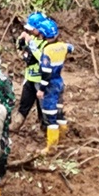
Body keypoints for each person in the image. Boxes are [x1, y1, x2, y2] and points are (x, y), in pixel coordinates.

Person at [28, 12, 71, 154]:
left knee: (50, 115)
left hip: (50, 84)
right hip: (59, 81)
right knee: (59, 112)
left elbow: (46, 72)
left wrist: (41, 89)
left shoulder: (46, 50)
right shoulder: (63, 46)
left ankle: (52, 147)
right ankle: (63, 138)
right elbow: (71, 48)